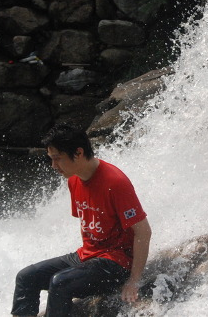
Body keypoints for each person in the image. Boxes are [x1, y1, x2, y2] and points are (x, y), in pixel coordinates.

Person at [11, 124, 151, 317]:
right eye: (51, 159)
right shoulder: (74, 180)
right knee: (26, 277)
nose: (54, 166)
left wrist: (133, 281)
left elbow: (143, 232)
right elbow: (88, 224)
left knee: (60, 282)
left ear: (78, 153)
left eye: (57, 158)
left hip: (117, 263)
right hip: (88, 256)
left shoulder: (115, 182)